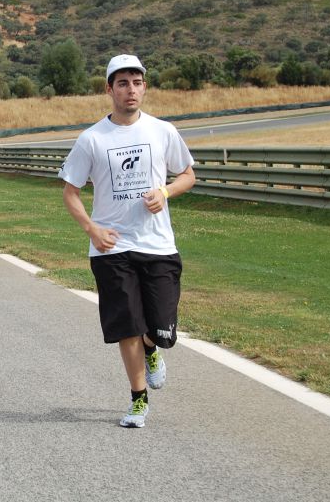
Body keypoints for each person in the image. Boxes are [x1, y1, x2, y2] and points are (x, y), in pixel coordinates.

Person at [58, 54, 196, 429]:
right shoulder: (92, 139)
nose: (130, 90)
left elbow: (187, 175)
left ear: (144, 87)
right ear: (109, 89)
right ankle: (138, 400)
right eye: (122, 83)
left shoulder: (162, 131)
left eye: (136, 82)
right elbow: (70, 191)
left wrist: (166, 192)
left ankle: (153, 349)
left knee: (161, 330)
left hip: (158, 246)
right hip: (112, 248)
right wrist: (92, 229)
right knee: (127, 326)